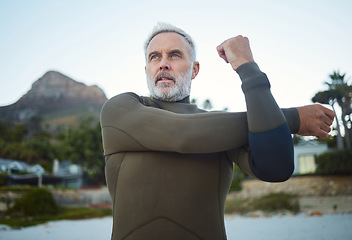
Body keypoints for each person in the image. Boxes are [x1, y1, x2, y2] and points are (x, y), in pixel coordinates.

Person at [100, 23, 335, 240]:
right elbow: (183, 134)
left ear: (195, 70)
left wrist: (246, 65)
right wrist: (291, 118)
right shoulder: (121, 110)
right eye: (154, 57)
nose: (163, 63)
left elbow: (277, 168)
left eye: (174, 54)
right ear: (147, 69)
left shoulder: (219, 127)